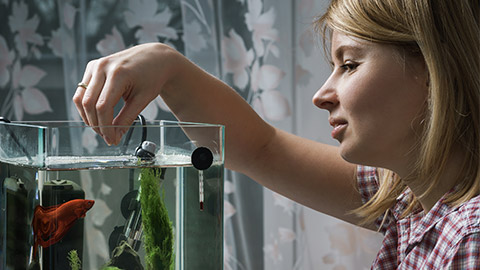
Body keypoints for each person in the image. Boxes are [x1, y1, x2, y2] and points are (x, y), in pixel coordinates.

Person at [73, 0, 480, 268]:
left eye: (350, 64)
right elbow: (261, 149)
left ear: (431, 69)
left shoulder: (470, 238)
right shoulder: (408, 199)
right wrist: (166, 66)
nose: (322, 95)